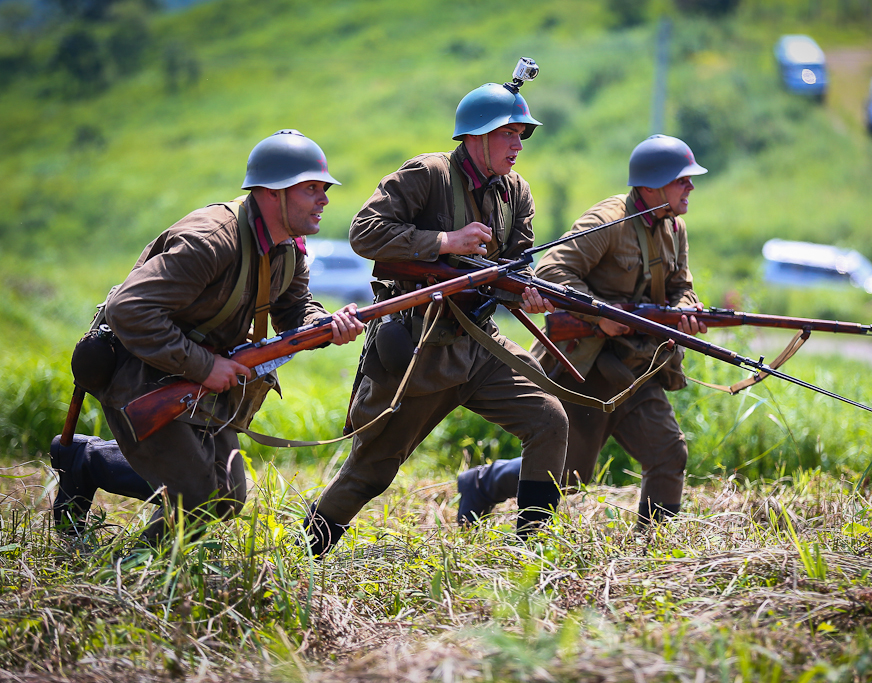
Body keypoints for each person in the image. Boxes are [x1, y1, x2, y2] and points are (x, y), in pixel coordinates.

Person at [49, 130, 364, 543]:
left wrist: (326, 326)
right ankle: (125, 584)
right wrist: (205, 365)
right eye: (311, 189)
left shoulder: (289, 249)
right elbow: (129, 309)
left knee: (227, 497)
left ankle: (88, 461)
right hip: (142, 368)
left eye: (323, 189)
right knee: (195, 499)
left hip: (199, 379)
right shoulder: (211, 240)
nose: (323, 199)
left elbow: (294, 311)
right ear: (272, 193)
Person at [302, 72, 569, 556]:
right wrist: (444, 242)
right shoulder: (428, 175)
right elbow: (365, 233)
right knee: (371, 472)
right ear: (476, 136)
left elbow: (513, 271)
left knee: (550, 419)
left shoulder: (517, 193)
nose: (518, 144)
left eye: (521, 134)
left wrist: (527, 295)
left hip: (479, 343)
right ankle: (301, 556)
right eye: (509, 133)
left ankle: (533, 555)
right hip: (418, 347)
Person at [457, 134, 708, 526]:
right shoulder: (607, 221)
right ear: (653, 184)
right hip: (587, 368)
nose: (690, 187)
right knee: (568, 477)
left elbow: (681, 287)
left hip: (638, 368)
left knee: (668, 454)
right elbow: (551, 272)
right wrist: (600, 315)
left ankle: (655, 553)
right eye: (682, 180)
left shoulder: (674, 229)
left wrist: (684, 312)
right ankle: (483, 482)